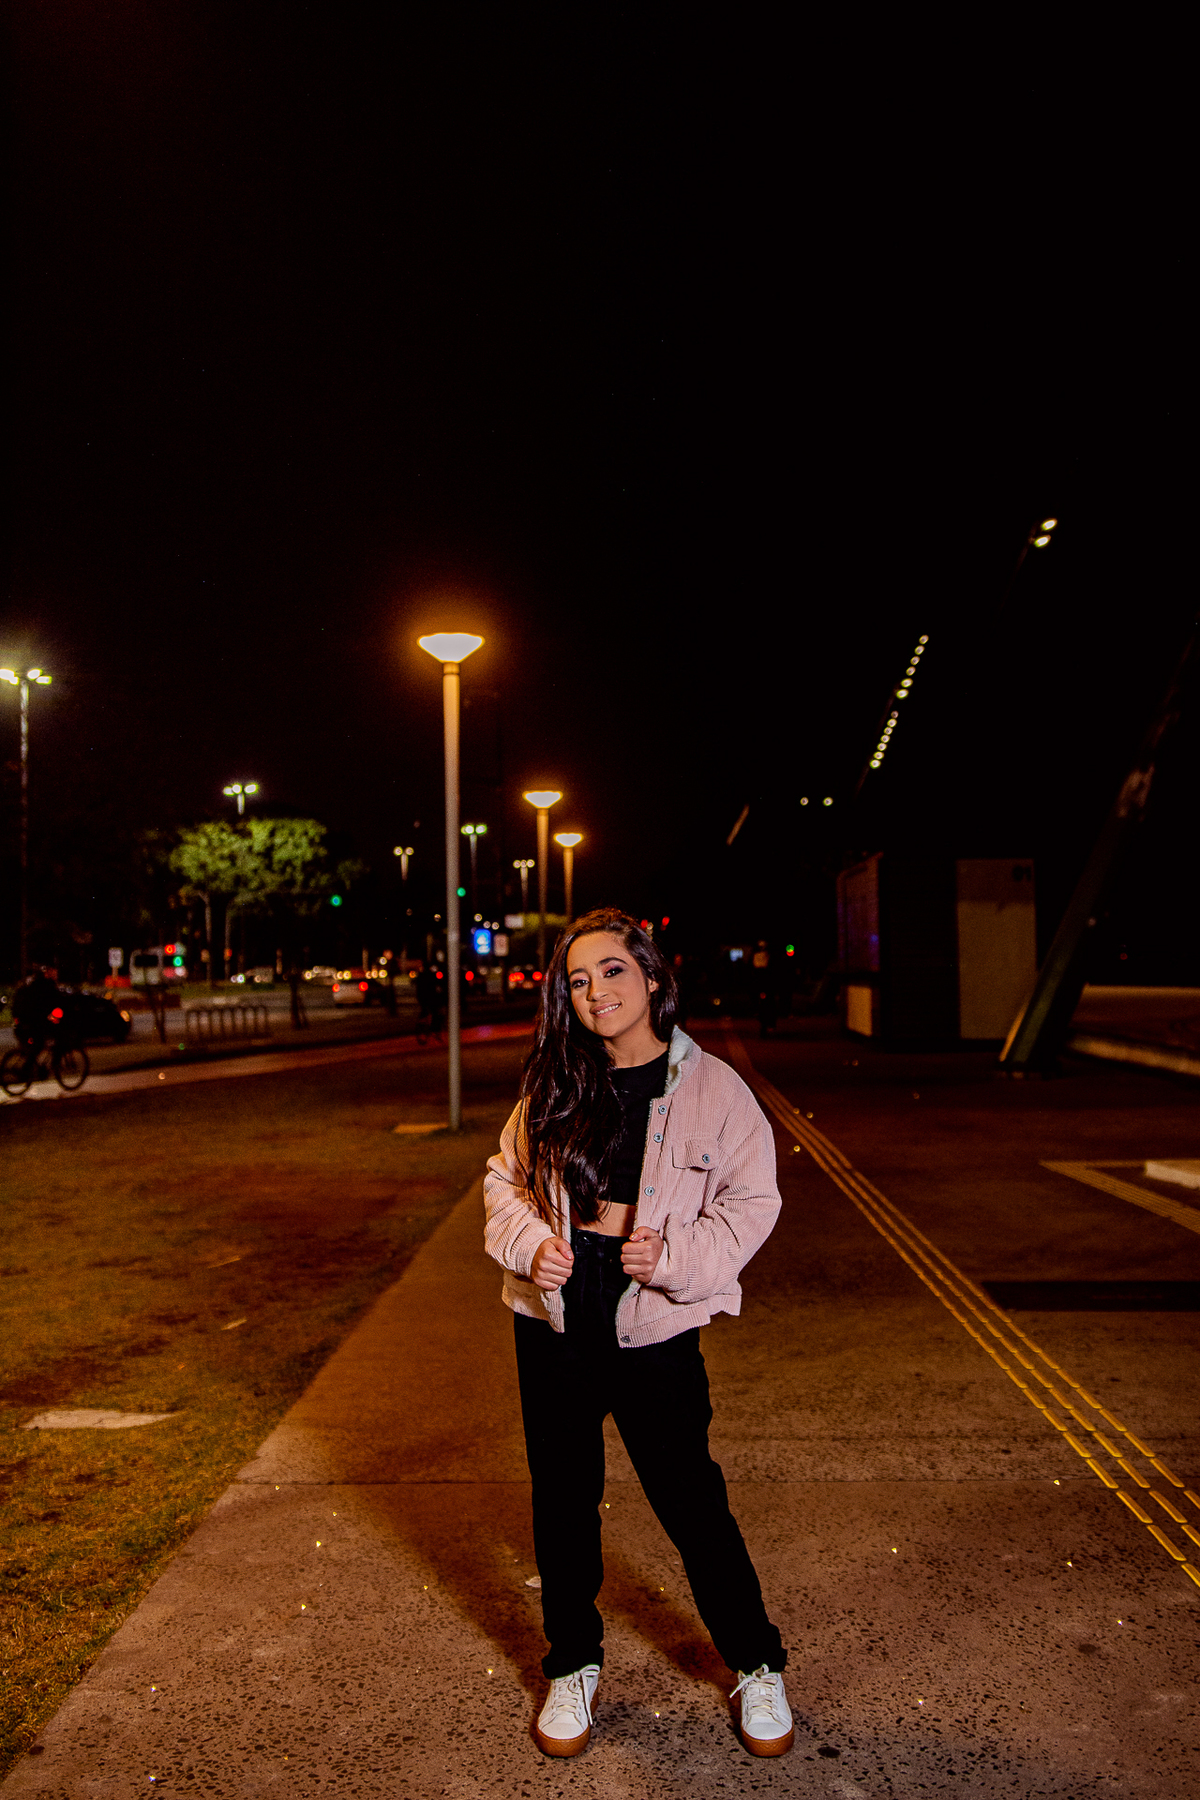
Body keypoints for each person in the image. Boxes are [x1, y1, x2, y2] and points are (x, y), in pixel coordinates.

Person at [484, 908, 792, 1759]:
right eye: (578, 980)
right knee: (563, 1500)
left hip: (652, 1316)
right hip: (553, 1313)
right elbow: (504, 1180)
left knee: (691, 1500)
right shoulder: (555, 1081)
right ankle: (572, 1664)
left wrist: (676, 1257)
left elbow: (752, 1202)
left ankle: (756, 1663)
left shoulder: (714, 1089)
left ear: (653, 977)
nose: (595, 992)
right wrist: (530, 1244)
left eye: (613, 971)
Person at [10, 967, 62, 1057]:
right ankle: (28, 1065)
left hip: (29, 1021)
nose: (55, 975)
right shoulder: (43, 984)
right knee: (38, 1045)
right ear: (46, 973)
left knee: (47, 1038)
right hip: (30, 1023)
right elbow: (53, 1001)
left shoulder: (38, 983)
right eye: (52, 972)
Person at [414, 963, 444, 1041]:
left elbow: (418, 987)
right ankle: (434, 1029)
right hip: (430, 997)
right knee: (435, 1012)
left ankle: (422, 1023)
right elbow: (437, 985)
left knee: (425, 1010)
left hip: (422, 997)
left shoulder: (421, 975)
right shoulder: (431, 975)